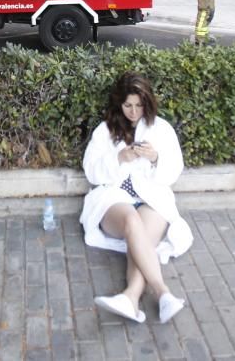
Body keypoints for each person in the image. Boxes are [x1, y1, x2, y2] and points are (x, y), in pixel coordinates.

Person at [80, 72, 192, 325]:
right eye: (128, 105)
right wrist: (119, 158)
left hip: (151, 196)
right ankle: (163, 292)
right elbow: (91, 170)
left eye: (139, 105)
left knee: (142, 241)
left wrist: (155, 159)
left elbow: (173, 171)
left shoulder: (161, 129)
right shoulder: (105, 130)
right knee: (133, 224)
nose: (133, 112)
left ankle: (130, 298)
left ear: (147, 103)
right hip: (114, 199)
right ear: (119, 104)